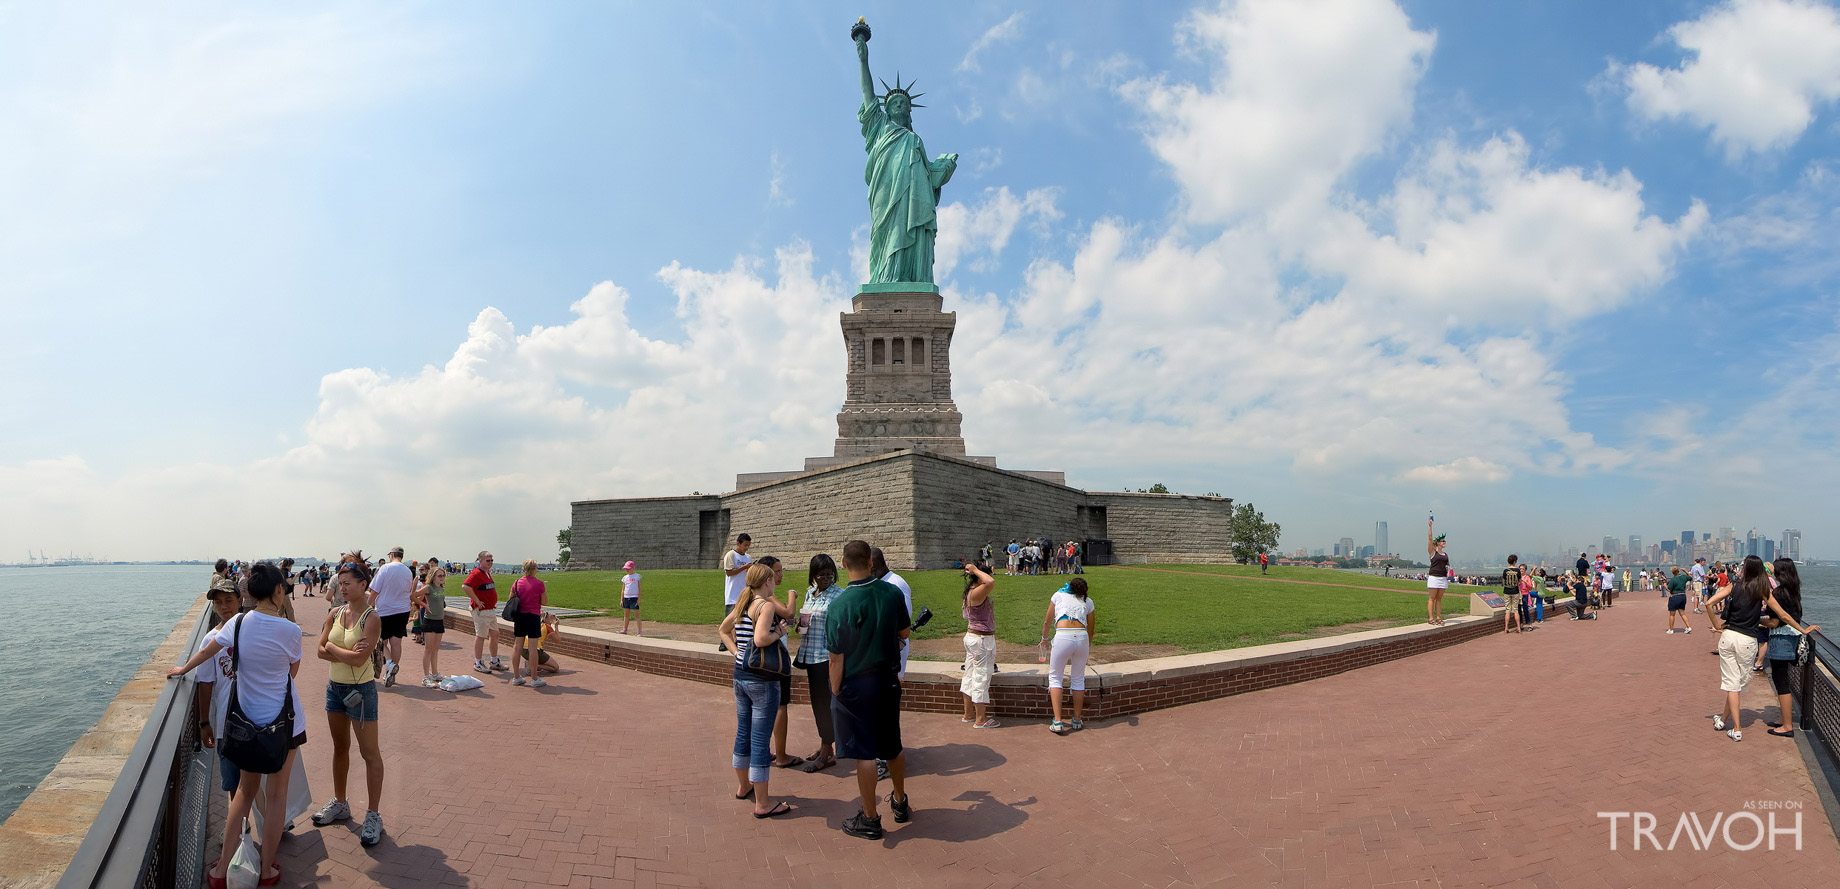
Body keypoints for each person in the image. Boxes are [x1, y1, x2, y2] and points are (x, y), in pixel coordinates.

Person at [167, 562, 303, 888]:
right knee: (277, 795)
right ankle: (267, 870)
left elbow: (207, 650)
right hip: (284, 723)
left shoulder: (237, 624)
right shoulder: (291, 631)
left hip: (244, 722)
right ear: (279, 591)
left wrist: (183, 667)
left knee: (243, 792)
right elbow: (291, 673)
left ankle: (220, 871)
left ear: (247, 593)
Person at [827, 540, 913, 840]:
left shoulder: (838, 604)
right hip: (887, 680)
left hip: (856, 685)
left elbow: (836, 656)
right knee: (892, 743)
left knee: (865, 752)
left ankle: (870, 818)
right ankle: (900, 801)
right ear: (870, 561)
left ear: (843, 563)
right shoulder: (891, 592)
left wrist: (835, 689)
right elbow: (904, 632)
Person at [312, 555, 387, 846]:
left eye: (347, 583)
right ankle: (341, 803)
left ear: (363, 585)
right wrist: (336, 649)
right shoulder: (335, 613)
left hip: (361, 692)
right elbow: (318, 650)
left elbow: (359, 661)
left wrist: (332, 646)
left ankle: (373, 814)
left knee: (370, 753)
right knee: (340, 747)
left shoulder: (372, 618)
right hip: (335, 689)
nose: (342, 588)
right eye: (340, 583)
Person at [718, 563, 795, 819]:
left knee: (743, 732)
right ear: (767, 582)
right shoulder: (765, 605)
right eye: (773, 579)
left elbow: (723, 629)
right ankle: (763, 802)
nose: (775, 584)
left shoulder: (742, 602)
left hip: (740, 676)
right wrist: (779, 632)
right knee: (761, 740)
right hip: (762, 679)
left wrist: (735, 652)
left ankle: (744, 786)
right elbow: (761, 639)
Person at [1704, 556, 1772, 741]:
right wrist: (1778, 623)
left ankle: (1726, 721)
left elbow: (1709, 603)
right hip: (1749, 640)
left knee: (1733, 684)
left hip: (1729, 637)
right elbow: (1778, 612)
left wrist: (1717, 626)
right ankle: (1736, 727)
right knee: (1736, 684)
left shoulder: (1735, 585)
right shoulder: (1762, 589)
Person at [792, 554, 842, 773]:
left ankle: (827, 751)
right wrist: (800, 627)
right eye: (821, 574)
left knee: (826, 704)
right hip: (810, 656)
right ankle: (826, 745)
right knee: (817, 703)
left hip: (827, 657)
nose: (825, 578)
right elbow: (806, 621)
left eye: (829, 573)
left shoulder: (839, 595)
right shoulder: (810, 593)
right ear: (813, 575)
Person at [1763, 558, 1820, 737]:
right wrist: (1803, 629)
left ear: (1780, 573)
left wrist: (1754, 620)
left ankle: (1787, 726)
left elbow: (1774, 621)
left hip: (1781, 639)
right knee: (1783, 680)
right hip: (1792, 638)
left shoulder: (1779, 593)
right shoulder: (1794, 591)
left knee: (1781, 681)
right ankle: (1784, 718)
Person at [1040, 577, 1096, 733]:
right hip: (1082, 637)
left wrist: (1044, 639)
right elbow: (1091, 627)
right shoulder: (1088, 601)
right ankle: (1077, 719)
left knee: (1055, 677)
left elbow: (1047, 621)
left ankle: (1058, 720)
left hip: (1063, 635)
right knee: (1078, 678)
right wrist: (1087, 644)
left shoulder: (1058, 595)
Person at [959, 560, 998, 729]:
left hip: (974, 639)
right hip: (982, 641)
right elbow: (990, 582)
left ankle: (968, 714)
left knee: (969, 676)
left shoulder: (971, 591)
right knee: (981, 678)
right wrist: (975, 570)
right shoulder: (976, 592)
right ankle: (980, 719)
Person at [368, 547, 414, 687]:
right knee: (396, 643)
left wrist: (366, 607)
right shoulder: (407, 571)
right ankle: (392, 671)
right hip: (403, 610)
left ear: (392, 555)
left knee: (379, 641)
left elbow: (374, 590)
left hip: (385, 610)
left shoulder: (385, 569)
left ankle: (389, 664)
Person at [463, 552, 504, 673]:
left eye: (491, 560)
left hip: (490, 610)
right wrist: (477, 600)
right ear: (480, 561)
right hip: (481, 611)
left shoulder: (487, 573)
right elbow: (465, 586)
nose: (490, 562)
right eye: (488, 560)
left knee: (495, 634)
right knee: (481, 635)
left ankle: (494, 661)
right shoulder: (476, 573)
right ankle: (478, 662)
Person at [510, 559, 547, 687]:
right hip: (533, 616)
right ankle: (534, 678)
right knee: (533, 648)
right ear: (534, 569)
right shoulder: (539, 584)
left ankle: (516, 676)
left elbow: (511, 599)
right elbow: (545, 601)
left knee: (517, 646)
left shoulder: (516, 583)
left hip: (520, 616)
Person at [417, 561, 449, 686]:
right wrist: (424, 604)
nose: (442, 578)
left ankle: (435, 673)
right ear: (433, 577)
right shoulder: (428, 587)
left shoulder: (441, 588)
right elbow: (414, 596)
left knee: (436, 649)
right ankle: (426, 676)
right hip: (429, 621)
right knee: (428, 649)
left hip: (439, 621)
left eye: (443, 576)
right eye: (439, 576)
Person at [1426, 520, 1450, 626]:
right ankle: (1431, 618)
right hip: (1434, 577)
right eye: (1442, 541)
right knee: (1432, 598)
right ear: (1438, 543)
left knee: (1439, 598)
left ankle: (1438, 617)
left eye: (1445, 541)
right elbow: (1430, 538)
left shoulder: (1445, 554)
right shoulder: (1432, 552)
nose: (1444, 542)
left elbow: (1447, 566)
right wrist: (1430, 526)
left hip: (1442, 578)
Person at [1665, 567, 1692, 633]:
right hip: (1683, 596)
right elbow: (1690, 577)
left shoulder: (1673, 580)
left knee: (1672, 614)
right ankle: (1688, 627)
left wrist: (1665, 585)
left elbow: (1669, 589)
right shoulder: (1684, 577)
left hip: (1675, 597)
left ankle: (1671, 629)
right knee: (1682, 613)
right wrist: (1686, 571)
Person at [619, 560, 644, 635]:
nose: (627, 570)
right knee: (626, 614)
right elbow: (623, 589)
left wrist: (639, 599)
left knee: (636, 615)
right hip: (626, 598)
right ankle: (625, 629)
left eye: (628, 568)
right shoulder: (625, 578)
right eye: (626, 569)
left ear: (633, 568)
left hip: (634, 598)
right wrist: (621, 600)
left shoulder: (637, 576)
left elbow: (639, 588)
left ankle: (639, 631)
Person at [1501, 556, 1523, 635]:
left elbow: (1503, 582)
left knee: (1507, 610)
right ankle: (1518, 627)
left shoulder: (1505, 571)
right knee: (1515, 610)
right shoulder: (1517, 570)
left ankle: (1506, 628)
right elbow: (1520, 581)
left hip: (1507, 591)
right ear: (1514, 561)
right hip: (1515, 591)